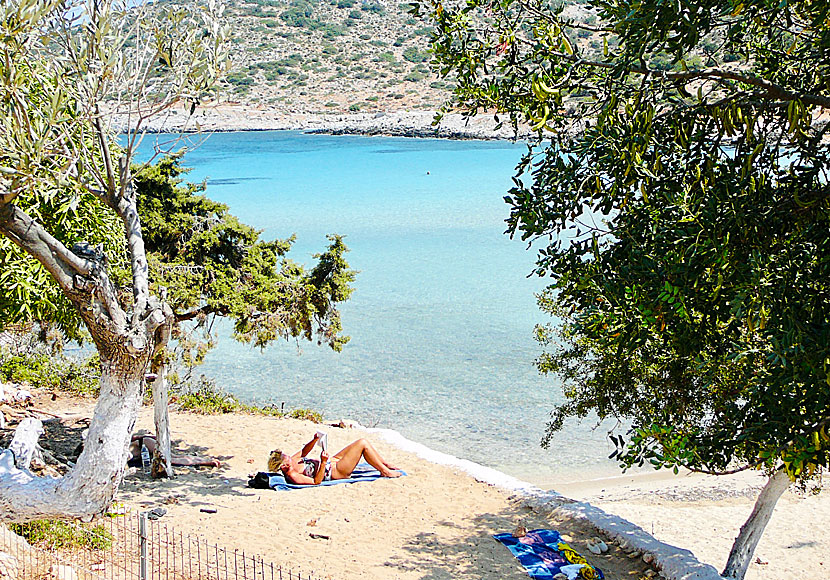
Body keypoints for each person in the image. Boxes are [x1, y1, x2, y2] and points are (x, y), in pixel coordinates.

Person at [268, 434, 401, 485]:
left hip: (332, 462)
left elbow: (304, 452)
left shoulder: (292, 460)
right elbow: (316, 481)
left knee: (359, 443)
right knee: (362, 443)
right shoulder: (294, 475)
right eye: (285, 457)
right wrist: (324, 462)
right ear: (283, 466)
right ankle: (385, 471)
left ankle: (384, 463)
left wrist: (314, 440)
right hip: (335, 472)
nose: (287, 456)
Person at [129, 432, 222, 468]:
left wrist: (147, 436)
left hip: (142, 444)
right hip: (142, 444)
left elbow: (133, 438)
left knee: (172, 459)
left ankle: (204, 462)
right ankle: (203, 460)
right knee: (174, 457)